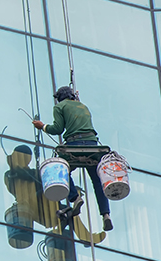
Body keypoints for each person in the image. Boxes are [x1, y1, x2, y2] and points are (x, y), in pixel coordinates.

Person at [32, 86, 113, 231]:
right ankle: (106, 215)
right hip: (92, 145)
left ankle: (75, 198)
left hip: (74, 143)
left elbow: (57, 129)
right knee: (97, 180)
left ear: (58, 98)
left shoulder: (60, 107)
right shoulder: (83, 106)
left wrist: (42, 126)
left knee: (61, 169)